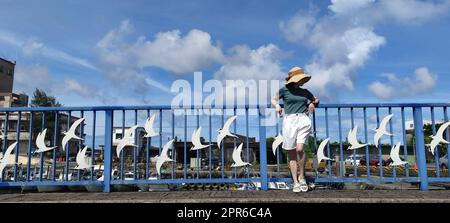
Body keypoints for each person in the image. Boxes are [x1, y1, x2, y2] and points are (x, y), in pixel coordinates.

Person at [271, 67, 319, 192]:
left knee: (300, 149)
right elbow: (273, 98)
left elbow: (315, 98)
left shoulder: (305, 91)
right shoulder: (284, 90)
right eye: (301, 78)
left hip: (303, 119)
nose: (303, 80)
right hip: (289, 121)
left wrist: (313, 103)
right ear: (295, 79)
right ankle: (295, 181)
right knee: (292, 153)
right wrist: (276, 105)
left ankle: (302, 176)